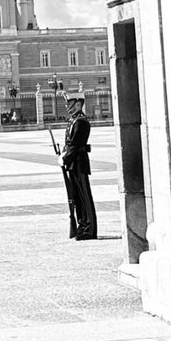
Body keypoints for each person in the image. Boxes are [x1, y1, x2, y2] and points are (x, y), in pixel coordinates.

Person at [60, 91, 97, 240]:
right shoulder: (74, 121)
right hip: (74, 163)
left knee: (83, 196)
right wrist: (64, 154)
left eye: (69, 104)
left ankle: (89, 228)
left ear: (78, 104)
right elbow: (69, 144)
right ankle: (82, 225)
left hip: (79, 162)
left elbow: (75, 145)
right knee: (76, 197)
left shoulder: (80, 121)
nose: (67, 107)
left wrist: (66, 158)